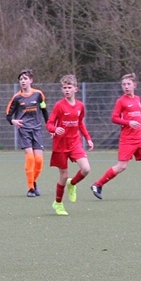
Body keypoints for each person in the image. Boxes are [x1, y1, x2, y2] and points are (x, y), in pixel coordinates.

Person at [91, 73, 141, 200]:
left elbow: (138, 118)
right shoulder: (121, 101)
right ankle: (98, 184)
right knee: (121, 166)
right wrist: (128, 123)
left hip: (140, 138)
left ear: (135, 85)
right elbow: (114, 118)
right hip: (128, 139)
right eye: (124, 84)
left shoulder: (138, 99)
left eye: (128, 84)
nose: (126, 86)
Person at [46, 75, 94, 216]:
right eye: (64, 88)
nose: (67, 90)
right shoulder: (59, 105)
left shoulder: (80, 106)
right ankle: (58, 203)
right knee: (63, 174)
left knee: (86, 169)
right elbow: (49, 124)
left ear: (75, 89)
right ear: (62, 90)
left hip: (75, 143)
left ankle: (72, 183)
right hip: (60, 144)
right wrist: (55, 129)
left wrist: (88, 138)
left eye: (69, 87)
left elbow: (80, 123)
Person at [6, 69, 49, 197]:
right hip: (24, 130)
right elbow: (8, 115)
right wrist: (13, 121)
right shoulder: (17, 98)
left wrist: (50, 126)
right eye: (21, 79)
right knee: (30, 158)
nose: (23, 81)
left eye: (25, 79)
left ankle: (33, 182)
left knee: (39, 160)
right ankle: (30, 188)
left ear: (31, 80)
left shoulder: (38, 95)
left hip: (37, 130)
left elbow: (44, 110)